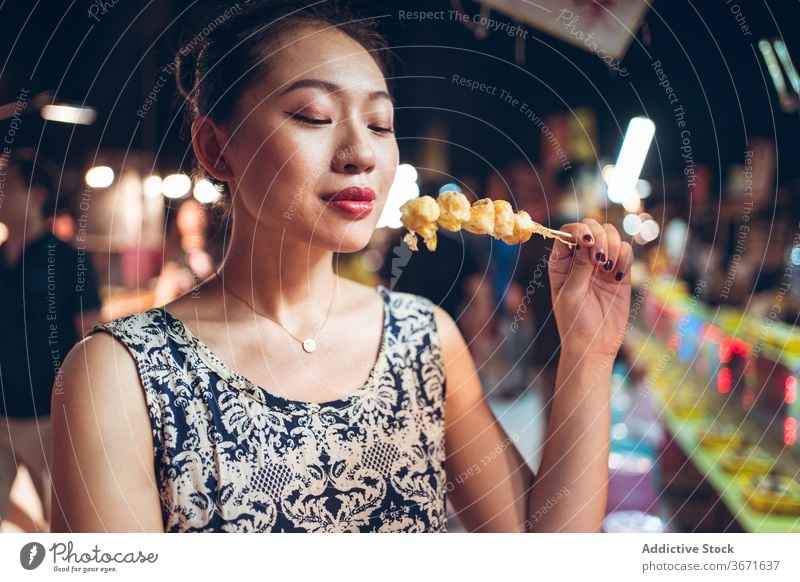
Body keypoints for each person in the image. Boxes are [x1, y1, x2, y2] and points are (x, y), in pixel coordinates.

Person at [51, 0, 633, 533]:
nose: (363, 153)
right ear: (215, 149)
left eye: (381, 125)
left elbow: (540, 554)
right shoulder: (118, 374)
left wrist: (587, 353)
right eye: (312, 115)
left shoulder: (423, 341)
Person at [0, 150, 102, 528]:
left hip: (49, 418)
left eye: (7, 186)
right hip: (1, 414)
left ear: (37, 194)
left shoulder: (67, 260)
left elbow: (92, 339)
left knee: (66, 526)